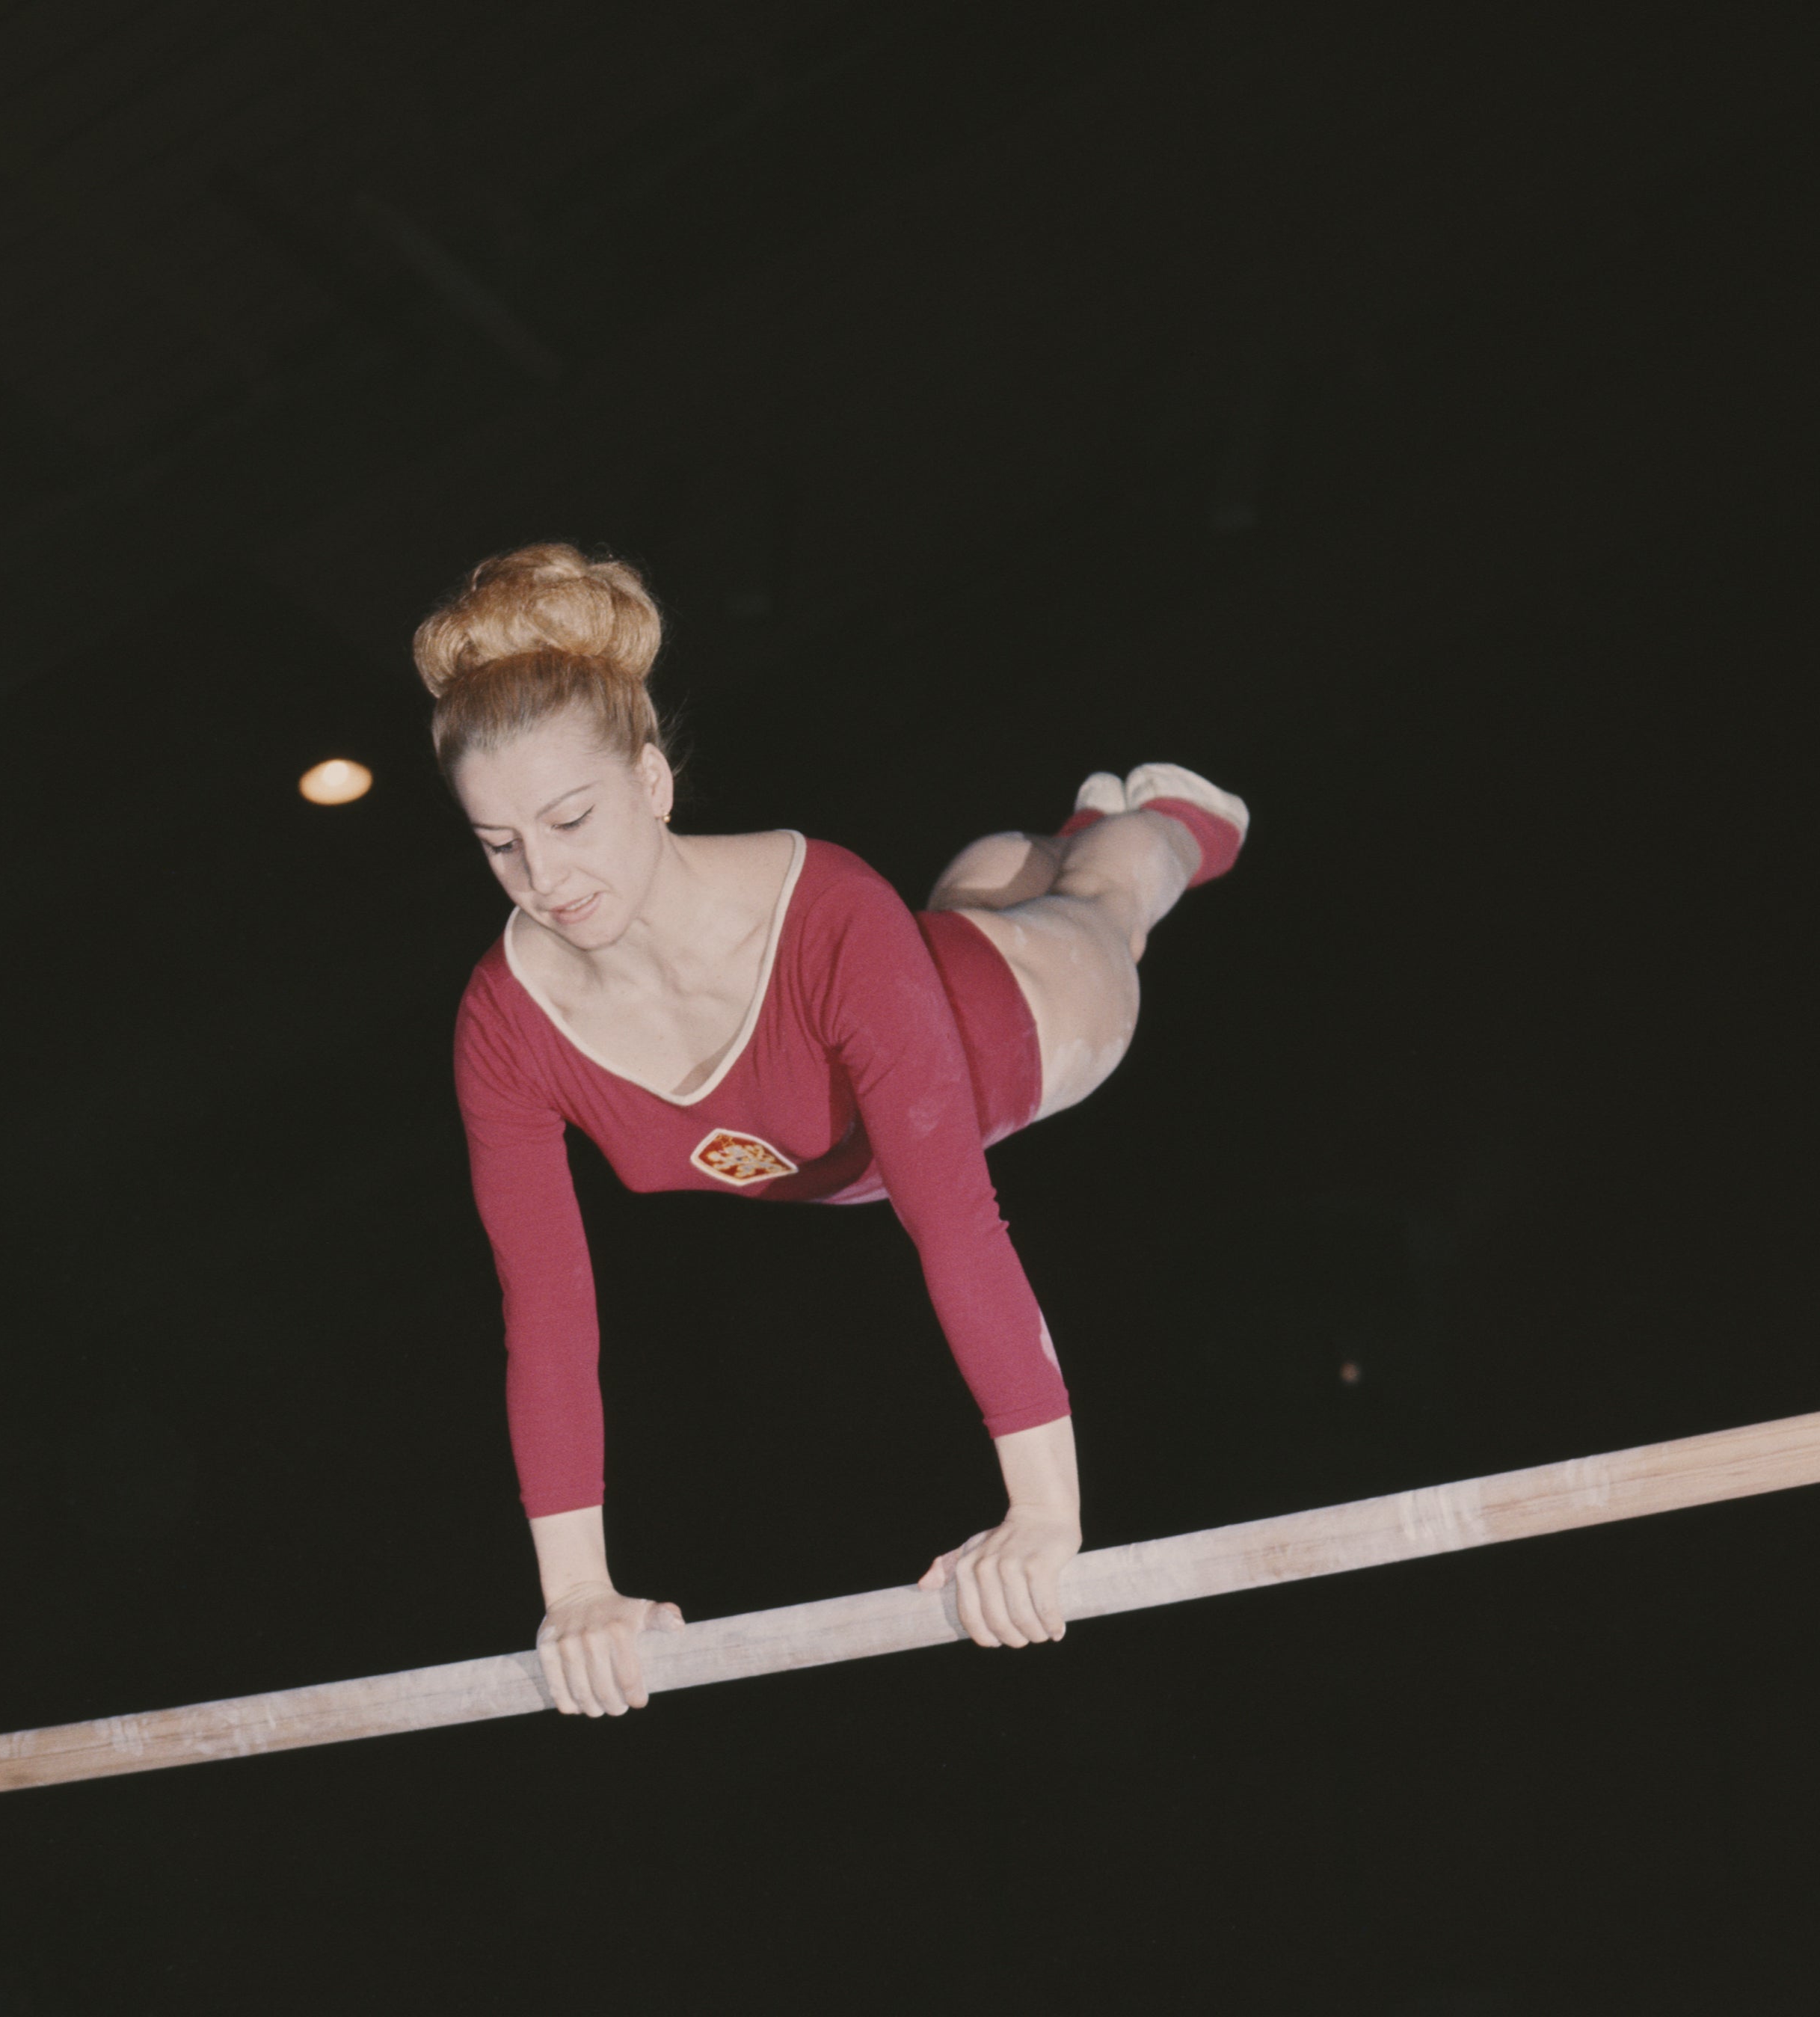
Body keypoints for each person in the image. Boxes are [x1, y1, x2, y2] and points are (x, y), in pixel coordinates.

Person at [429, 544, 1246, 1718]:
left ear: (653, 781)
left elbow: (955, 1221)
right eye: (499, 844)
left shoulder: (825, 911)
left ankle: (1159, 825)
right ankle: (1023, 863)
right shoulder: (504, 1024)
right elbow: (547, 1315)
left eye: (569, 819)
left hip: (997, 1032)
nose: (545, 878)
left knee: (1107, 912)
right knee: (978, 891)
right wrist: (578, 1594)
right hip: (892, 1017)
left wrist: (1045, 1513)